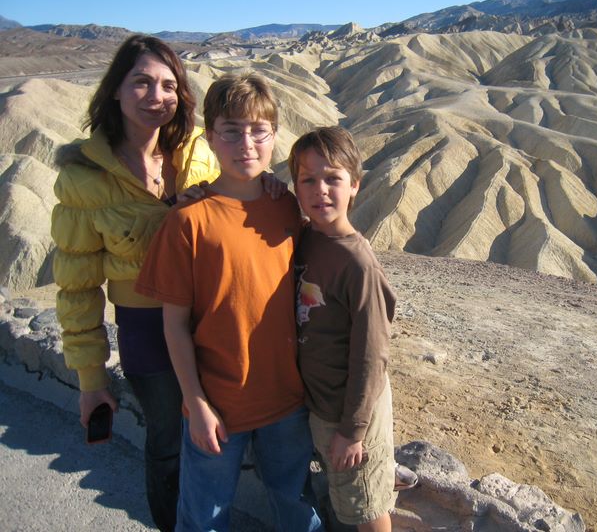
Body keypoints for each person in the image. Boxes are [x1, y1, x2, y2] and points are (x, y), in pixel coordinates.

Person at [135, 72, 323, 532]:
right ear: (211, 138)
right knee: (203, 517)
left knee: (298, 510)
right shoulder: (188, 221)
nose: (247, 144)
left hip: (287, 401)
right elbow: (174, 326)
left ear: (275, 136)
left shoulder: (286, 206)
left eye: (259, 131)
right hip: (218, 407)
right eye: (232, 131)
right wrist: (195, 403)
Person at [51, 34, 219, 531]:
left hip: (213, 320)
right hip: (146, 328)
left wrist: (269, 185)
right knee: (167, 438)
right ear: (116, 90)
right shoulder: (85, 178)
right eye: (141, 82)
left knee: (218, 430)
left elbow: (238, 203)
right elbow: (77, 287)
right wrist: (91, 381)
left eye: (168, 85)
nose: (156, 96)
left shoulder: (200, 151)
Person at [288, 126, 398, 531]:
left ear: (355, 185)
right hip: (322, 403)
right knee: (346, 493)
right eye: (308, 180)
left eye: (332, 178)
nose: (320, 190)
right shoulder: (305, 237)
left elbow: (372, 355)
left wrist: (353, 432)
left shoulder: (358, 265)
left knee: (366, 506)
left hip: (350, 412)